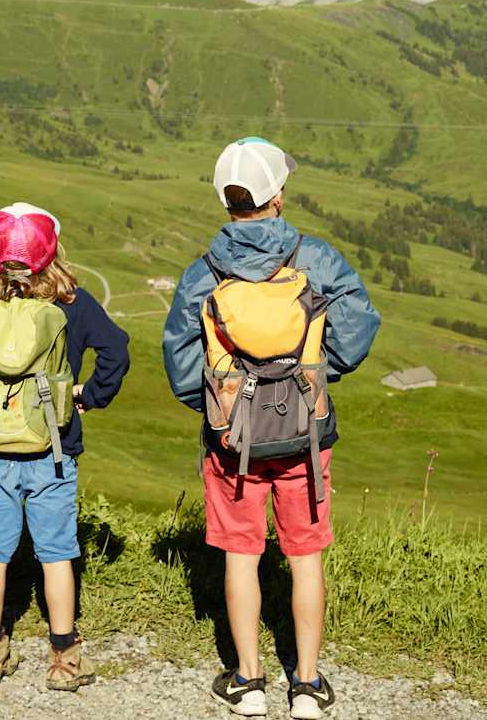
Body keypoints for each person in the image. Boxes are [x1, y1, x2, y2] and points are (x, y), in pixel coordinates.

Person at [163, 138, 380, 719]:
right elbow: (358, 328)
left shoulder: (203, 273)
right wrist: (315, 377)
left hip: (233, 439)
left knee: (241, 555)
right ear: (277, 197)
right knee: (304, 556)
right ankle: (306, 687)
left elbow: (182, 363)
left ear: (225, 201)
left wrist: (218, 406)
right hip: (305, 435)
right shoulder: (317, 260)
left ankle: (249, 682)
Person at [0, 202, 130, 692]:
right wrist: (87, 397)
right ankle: (64, 659)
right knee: (56, 553)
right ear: (52, 251)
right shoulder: (72, 304)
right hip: (54, 450)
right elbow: (116, 350)